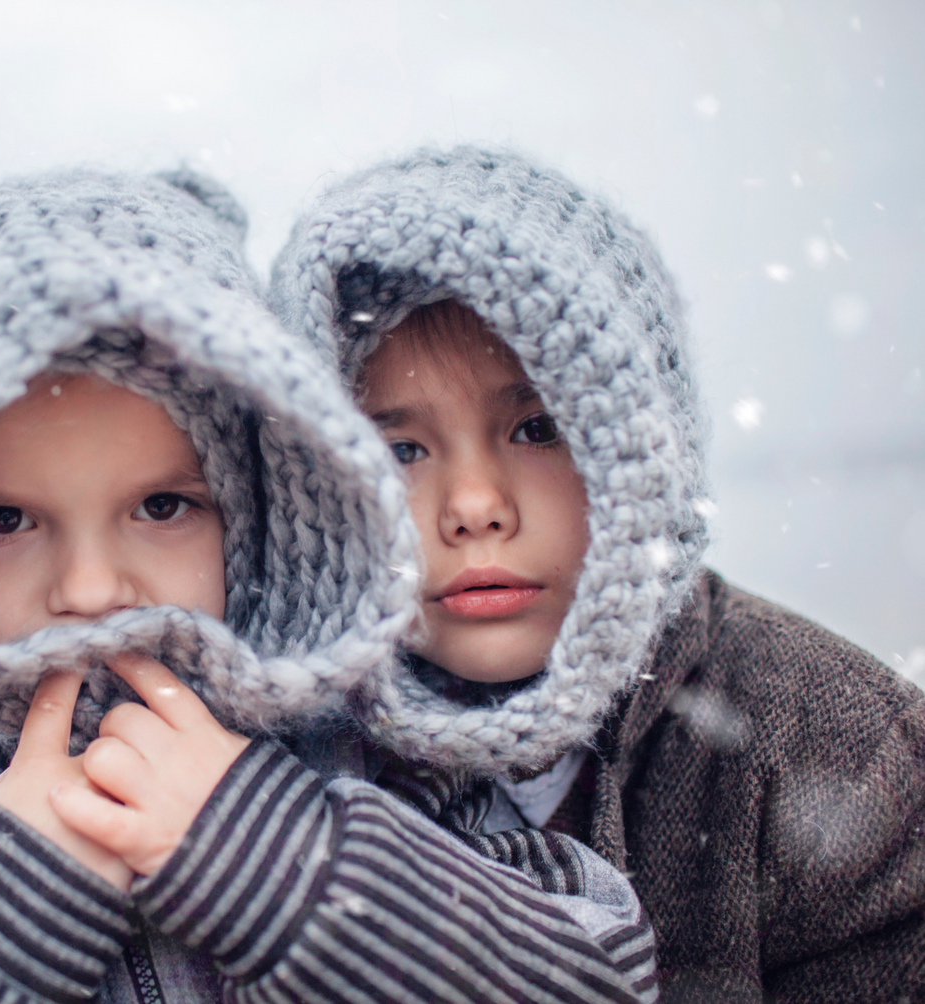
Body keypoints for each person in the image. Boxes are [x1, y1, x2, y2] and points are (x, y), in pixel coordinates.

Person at [0, 166, 657, 1004]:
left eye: (161, 507)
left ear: (259, 512)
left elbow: (604, 973)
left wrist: (279, 860)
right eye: (3, 519)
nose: (92, 588)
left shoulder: (381, 766)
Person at [269, 144, 925, 1001]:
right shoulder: (265, 751)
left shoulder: (837, 748)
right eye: (398, 449)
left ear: (648, 444)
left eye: (539, 429)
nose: (474, 505)